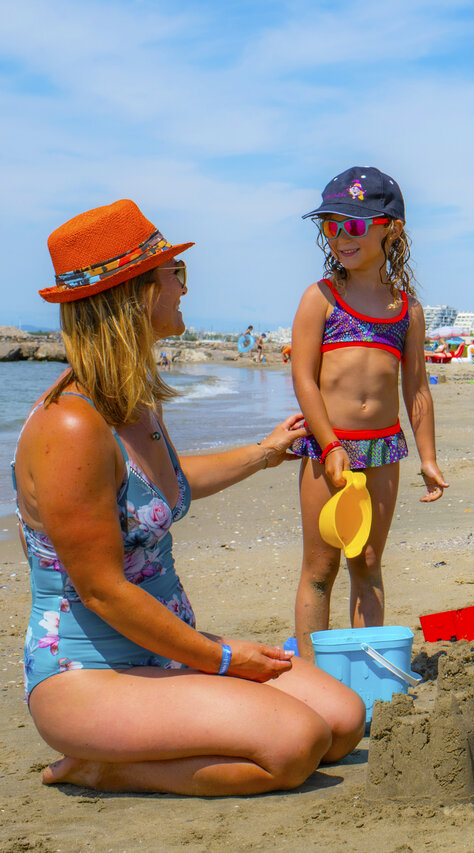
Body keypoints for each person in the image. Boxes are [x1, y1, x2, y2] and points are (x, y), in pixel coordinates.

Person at [16, 200, 364, 794]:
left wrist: (264, 451)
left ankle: (150, 741)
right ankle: (100, 766)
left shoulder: (134, 401)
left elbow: (164, 488)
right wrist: (222, 658)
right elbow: (102, 589)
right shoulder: (70, 428)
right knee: (294, 746)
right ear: (134, 293)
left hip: (169, 655)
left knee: (342, 722)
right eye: (173, 274)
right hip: (90, 675)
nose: (182, 288)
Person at [289, 166, 449, 661]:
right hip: (326, 446)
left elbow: (416, 386)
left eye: (353, 225)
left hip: (383, 448)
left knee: (369, 560)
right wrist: (331, 444)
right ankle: (314, 673)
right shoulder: (321, 298)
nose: (340, 236)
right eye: (330, 225)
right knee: (320, 568)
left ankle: (367, 670)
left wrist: (428, 457)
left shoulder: (406, 309)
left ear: (390, 227)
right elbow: (303, 378)